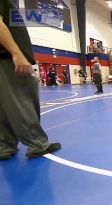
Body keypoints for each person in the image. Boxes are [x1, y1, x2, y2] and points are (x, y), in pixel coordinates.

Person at [0, 0, 61, 160]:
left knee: (4, 107)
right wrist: (16, 53)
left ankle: (4, 145)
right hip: (6, 58)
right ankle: (37, 143)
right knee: (22, 98)